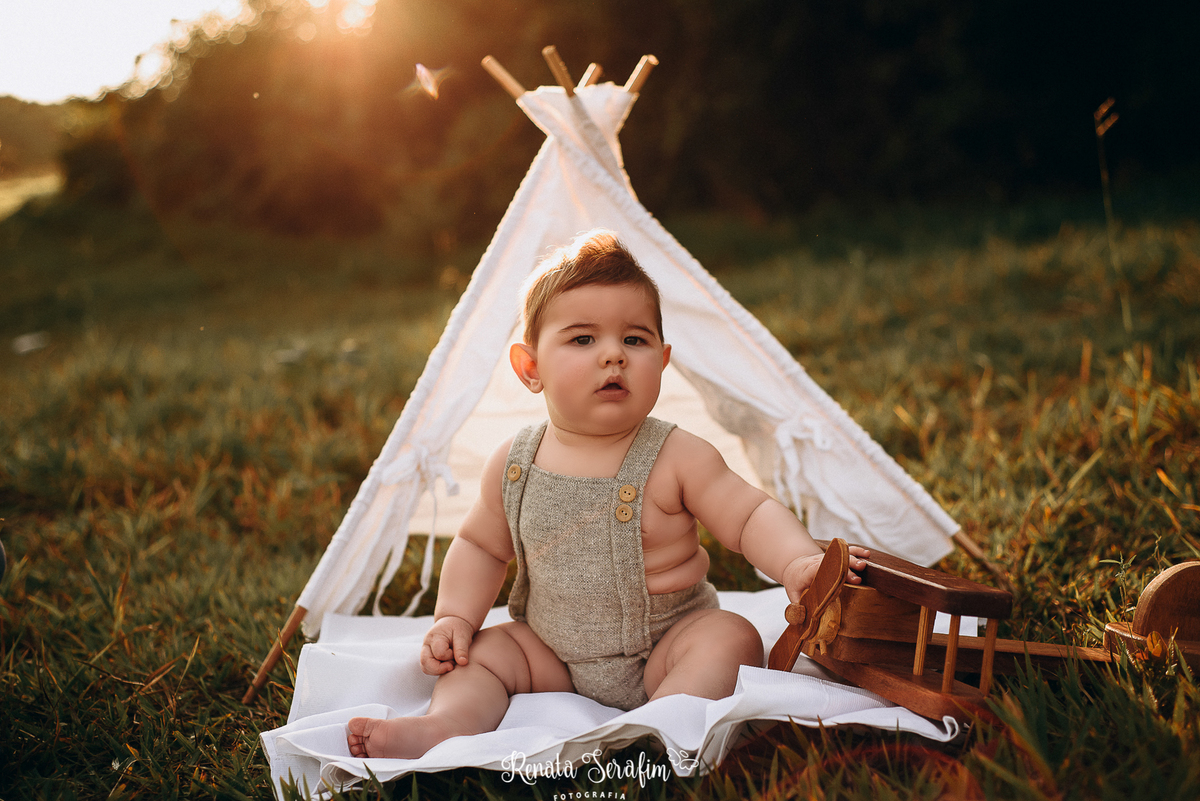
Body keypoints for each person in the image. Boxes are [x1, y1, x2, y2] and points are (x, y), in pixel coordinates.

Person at [347, 229, 870, 759]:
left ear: (662, 361)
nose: (613, 356)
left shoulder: (676, 455)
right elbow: (482, 547)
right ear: (531, 369)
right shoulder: (513, 464)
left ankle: (657, 729)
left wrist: (798, 562)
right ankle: (444, 726)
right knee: (482, 653)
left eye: (635, 340)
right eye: (583, 339)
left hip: (664, 648)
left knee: (732, 638)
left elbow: (749, 514)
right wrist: (454, 617)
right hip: (548, 652)